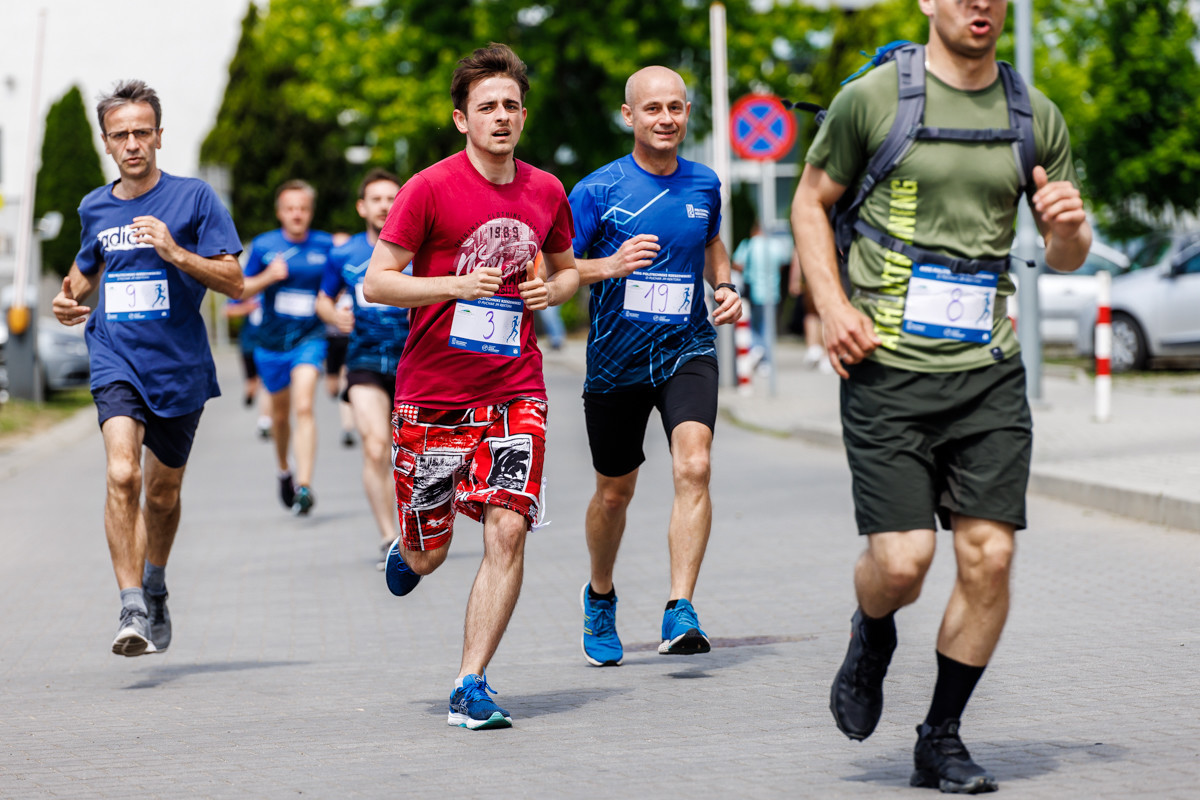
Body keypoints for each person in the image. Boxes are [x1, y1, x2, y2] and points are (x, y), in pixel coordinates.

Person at [790, 0, 1090, 792]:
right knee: (903, 563)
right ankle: (872, 631)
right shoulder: (874, 100)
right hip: (886, 369)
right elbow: (810, 202)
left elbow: (1065, 251)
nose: (979, 3)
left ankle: (941, 738)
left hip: (988, 370)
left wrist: (1068, 228)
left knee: (990, 556)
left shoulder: (1033, 114)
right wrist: (832, 305)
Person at [364, 43, 578, 730]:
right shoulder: (427, 188)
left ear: (524, 115)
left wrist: (554, 290)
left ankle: (470, 681)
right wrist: (454, 286)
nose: (501, 116)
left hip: (516, 390)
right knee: (429, 554)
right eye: (487, 107)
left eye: (511, 105)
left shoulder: (546, 190)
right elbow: (377, 283)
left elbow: (567, 269)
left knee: (508, 528)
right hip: (433, 396)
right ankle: (407, 549)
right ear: (462, 119)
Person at [51, 80, 243, 656]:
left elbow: (234, 281)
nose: (132, 143)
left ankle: (155, 583)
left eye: (141, 132)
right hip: (116, 355)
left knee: (161, 494)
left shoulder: (194, 198)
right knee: (122, 474)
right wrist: (67, 298)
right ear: (106, 142)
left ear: (159, 136)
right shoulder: (95, 206)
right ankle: (131, 603)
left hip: (178, 366)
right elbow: (86, 268)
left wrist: (175, 252)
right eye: (120, 135)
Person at [568, 66, 741, 668]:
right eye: (652, 109)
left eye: (675, 107)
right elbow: (552, 271)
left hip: (686, 348)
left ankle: (680, 607)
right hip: (615, 362)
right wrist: (609, 266)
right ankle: (600, 594)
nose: (665, 119)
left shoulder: (705, 183)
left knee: (695, 465)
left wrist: (724, 285)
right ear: (629, 116)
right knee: (614, 494)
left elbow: (711, 241)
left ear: (687, 112)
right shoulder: (597, 190)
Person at [316, 169, 410, 567]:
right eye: (377, 199)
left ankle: (417, 528)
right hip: (364, 360)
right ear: (362, 207)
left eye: (392, 198)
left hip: (413, 362)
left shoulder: (418, 249)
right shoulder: (344, 255)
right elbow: (323, 300)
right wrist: (334, 317)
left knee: (415, 455)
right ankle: (389, 538)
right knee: (375, 446)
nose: (385, 206)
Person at [242, 181, 334, 515]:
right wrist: (268, 276)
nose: (297, 214)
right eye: (290, 208)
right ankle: (285, 470)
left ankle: (305, 486)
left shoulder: (325, 245)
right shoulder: (264, 246)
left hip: (310, 339)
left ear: (311, 212)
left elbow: (339, 282)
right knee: (280, 417)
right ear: (280, 212)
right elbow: (240, 289)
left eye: (303, 208)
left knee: (304, 406)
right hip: (271, 343)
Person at [224, 293, 274, 438]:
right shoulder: (247, 289)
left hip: (268, 344)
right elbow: (227, 311)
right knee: (252, 382)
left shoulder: (272, 288)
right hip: (248, 344)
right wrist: (248, 308)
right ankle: (250, 394)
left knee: (266, 383)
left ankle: (264, 421)